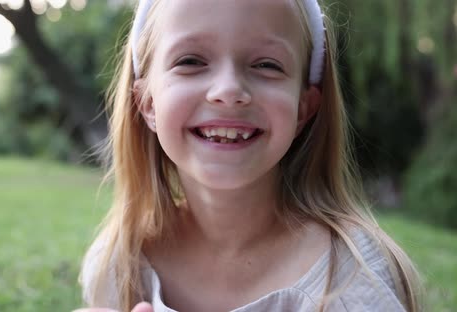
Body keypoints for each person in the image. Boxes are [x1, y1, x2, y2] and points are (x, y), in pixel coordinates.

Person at [76, 0, 422, 311]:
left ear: (304, 108)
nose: (228, 90)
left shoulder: (349, 280)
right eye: (191, 61)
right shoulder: (119, 266)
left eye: (267, 65)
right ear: (147, 103)